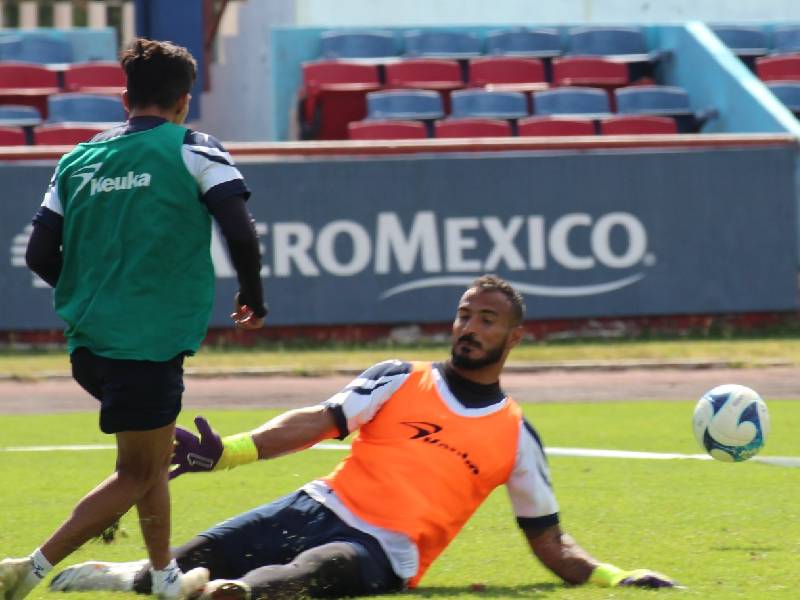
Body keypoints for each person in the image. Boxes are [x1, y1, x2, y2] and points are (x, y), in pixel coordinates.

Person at [48, 275, 677, 600]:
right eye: (464, 314)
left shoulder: (517, 437)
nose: (469, 326)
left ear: (514, 337)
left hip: (382, 552)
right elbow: (317, 422)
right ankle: (124, 576)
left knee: (301, 576)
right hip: (312, 505)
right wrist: (228, 451)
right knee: (181, 561)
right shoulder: (399, 378)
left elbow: (552, 545)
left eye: (487, 319)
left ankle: (226, 595)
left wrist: (615, 578)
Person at [1, 38, 267, 600]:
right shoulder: (195, 148)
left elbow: (39, 256)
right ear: (184, 101)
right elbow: (240, 229)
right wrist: (253, 294)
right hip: (146, 343)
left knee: (150, 455)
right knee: (138, 472)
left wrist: (98, 292)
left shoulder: (77, 158)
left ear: (126, 99)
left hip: (90, 345)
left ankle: (166, 577)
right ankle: (32, 569)